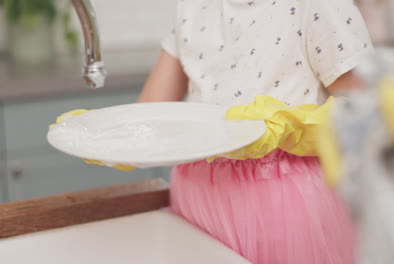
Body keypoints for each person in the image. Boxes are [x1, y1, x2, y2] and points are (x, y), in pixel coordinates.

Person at [138, 0, 372, 263]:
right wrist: (112, 136)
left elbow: (365, 111)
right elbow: (150, 109)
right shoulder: (192, 6)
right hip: (197, 195)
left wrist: (293, 126)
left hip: (285, 204)